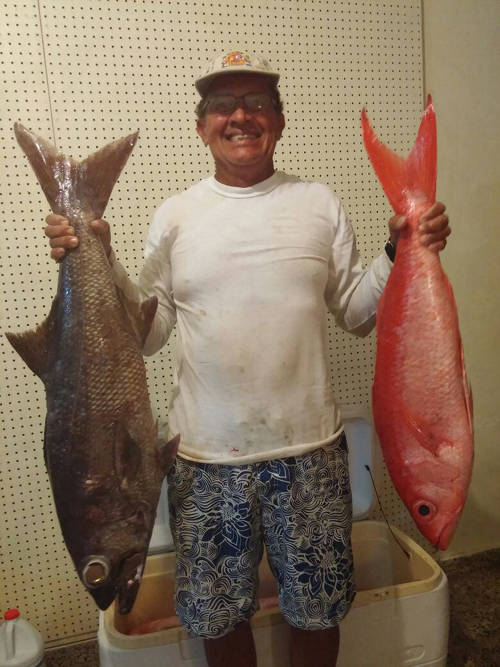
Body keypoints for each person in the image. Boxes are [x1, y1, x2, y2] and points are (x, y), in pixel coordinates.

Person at [45, 51, 450, 667]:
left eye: (257, 103)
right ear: (202, 125)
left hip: (310, 453)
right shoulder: (175, 215)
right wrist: (97, 255)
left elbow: (356, 313)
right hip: (204, 461)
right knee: (217, 616)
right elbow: (147, 334)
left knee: (319, 610)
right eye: (223, 106)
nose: (241, 116)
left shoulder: (319, 202)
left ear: (280, 121)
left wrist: (401, 249)